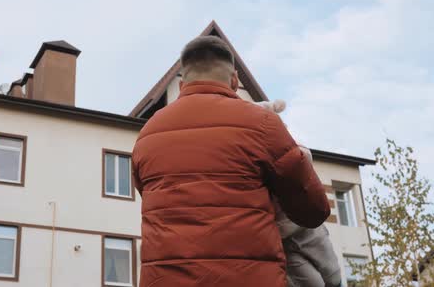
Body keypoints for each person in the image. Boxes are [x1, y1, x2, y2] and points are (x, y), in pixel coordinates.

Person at [132, 35, 330, 287]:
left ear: (182, 85)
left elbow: (149, 195)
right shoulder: (263, 124)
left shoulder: (148, 134)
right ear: (235, 80)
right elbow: (314, 211)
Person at [256, 100, 342, 287]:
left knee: (332, 276)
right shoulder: (253, 158)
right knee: (314, 282)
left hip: (307, 230)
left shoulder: (294, 151)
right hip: (284, 239)